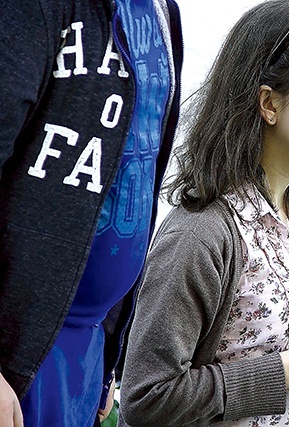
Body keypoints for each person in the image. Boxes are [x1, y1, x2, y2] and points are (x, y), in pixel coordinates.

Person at [117, 1, 289, 425]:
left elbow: (279, 345)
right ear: (269, 103)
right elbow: (146, 399)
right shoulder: (202, 234)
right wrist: (285, 374)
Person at [0, 1, 183, 426]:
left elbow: (139, 169)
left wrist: (111, 352)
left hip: (86, 352)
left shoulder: (162, 12)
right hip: (18, 354)